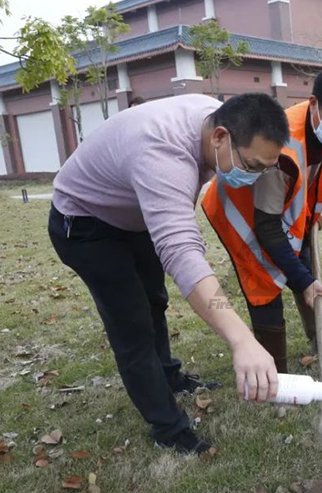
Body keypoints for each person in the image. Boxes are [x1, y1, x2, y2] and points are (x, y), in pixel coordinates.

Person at [49, 93, 288, 454]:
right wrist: (242, 339)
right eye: (253, 165)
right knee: (132, 323)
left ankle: (169, 374)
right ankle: (168, 428)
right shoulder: (164, 156)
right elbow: (181, 253)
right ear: (220, 137)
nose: (256, 176)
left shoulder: (213, 117)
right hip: (84, 224)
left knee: (154, 300)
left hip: (133, 214)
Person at [203, 64, 322, 373]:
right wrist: (302, 280)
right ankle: (274, 374)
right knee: (265, 285)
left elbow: (315, 180)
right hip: (243, 220)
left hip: (283, 216)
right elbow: (266, 228)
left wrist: (315, 213)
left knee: (309, 279)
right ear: (314, 105)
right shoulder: (281, 149)